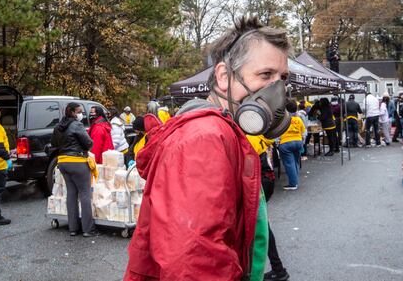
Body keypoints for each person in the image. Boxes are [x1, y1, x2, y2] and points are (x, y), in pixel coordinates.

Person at [124, 16, 291, 281]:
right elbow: (194, 262)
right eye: (265, 74)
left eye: (282, 78)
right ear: (224, 76)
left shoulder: (224, 132)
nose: (278, 90)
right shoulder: (205, 137)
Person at [51, 102, 99, 237]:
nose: (81, 114)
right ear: (72, 112)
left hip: (63, 162)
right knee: (84, 194)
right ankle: (88, 229)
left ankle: (73, 228)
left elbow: (54, 143)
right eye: (79, 111)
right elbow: (88, 143)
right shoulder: (76, 125)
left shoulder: (58, 126)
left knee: (71, 194)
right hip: (77, 162)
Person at [245, 134, 289, 281]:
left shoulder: (247, 137)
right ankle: (278, 268)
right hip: (266, 180)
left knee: (261, 227)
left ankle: (276, 269)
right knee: (262, 226)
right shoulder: (255, 134)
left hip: (259, 181)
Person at [279, 99, 306, 190]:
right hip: (298, 142)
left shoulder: (283, 120)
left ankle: (293, 184)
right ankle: (295, 181)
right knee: (295, 162)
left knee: (289, 163)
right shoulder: (298, 119)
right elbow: (303, 132)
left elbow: (278, 133)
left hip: (286, 143)